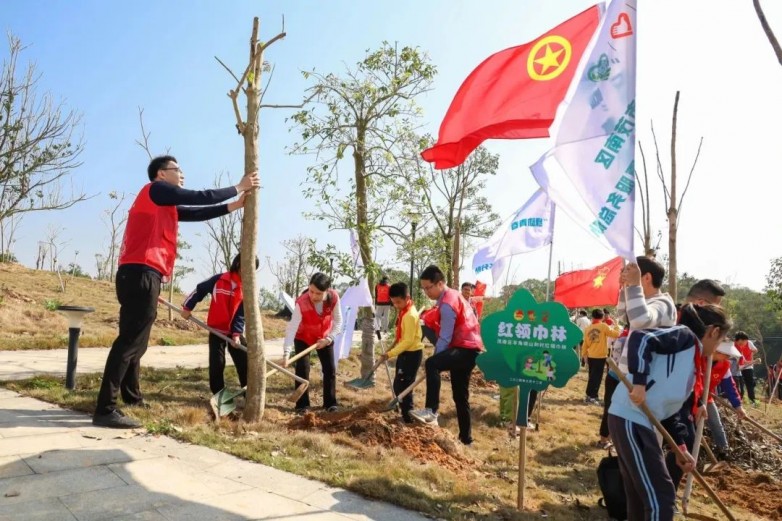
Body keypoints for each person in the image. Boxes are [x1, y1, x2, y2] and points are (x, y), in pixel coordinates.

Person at [92, 155, 258, 429]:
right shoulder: (155, 190)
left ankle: (131, 397)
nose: (182, 174)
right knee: (129, 342)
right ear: (161, 174)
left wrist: (233, 206)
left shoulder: (163, 205)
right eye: (177, 170)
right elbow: (198, 197)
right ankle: (105, 408)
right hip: (140, 273)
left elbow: (196, 212)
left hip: (139, 275)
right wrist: (238, 187)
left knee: (138, 342)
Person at [608, 303, 732, 521]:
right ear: (713, 331)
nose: (718, 347)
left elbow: (672, 410)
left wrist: (680, 448)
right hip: (629, 416)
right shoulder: (684, 337)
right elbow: (641, 339)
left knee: (641, 495)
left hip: (641, 421)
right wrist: (639, 382)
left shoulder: (693, 363)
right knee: (662, 495)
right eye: (721, 340)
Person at [410, 265, 483, 445]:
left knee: (432, 363)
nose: (426, 292)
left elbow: (445, 336)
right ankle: (466, 439)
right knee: (460, 395)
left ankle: (431, 411)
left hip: (466, 348)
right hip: (468, 348)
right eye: (424, 288)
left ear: (440, 283)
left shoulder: (448, 303)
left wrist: (436, 360)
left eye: (429, 287)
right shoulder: (450, 297)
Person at [181, 254, 257, 395]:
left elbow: (241, 313)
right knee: (217, 364)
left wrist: (236, 333)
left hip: (235, 332)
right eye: (246, 267)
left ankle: (250, 396)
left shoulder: (247, 289)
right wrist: (187, 307)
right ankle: (220, 399)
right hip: (216, 330)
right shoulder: (219, 280)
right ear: (238, 264)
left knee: (244, 363)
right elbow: (199, 290)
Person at [282, 272, 344, 413]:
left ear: (327, 291)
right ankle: (302, 405)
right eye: (311, 291)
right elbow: (292, 328)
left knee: (329, 370)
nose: (313, 296)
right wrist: (286, 353)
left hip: (324, 337)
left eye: (318, 293)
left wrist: (329, 338)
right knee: (302, 370)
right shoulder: (301, 302)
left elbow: (339, 322)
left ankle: (330, 403)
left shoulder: (333, 298)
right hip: (303, 337)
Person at [379, 282, 423, 423]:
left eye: (398, 302)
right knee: (399, 384)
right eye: (394, 303)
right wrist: (393, 348)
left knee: (404, 386)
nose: (396, 305)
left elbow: (408, 341)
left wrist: (390, 354)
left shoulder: (409, 315)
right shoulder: (405, 309)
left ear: (407, 297)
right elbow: (402, 337)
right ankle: (405, 412)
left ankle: (408, 417)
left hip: (412, 354)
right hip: (405, 353)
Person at [582, 309, 621, 405]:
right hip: (600, 356)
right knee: (597, 378)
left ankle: (589, 395)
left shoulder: (588, 328)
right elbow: (616, 334)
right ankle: (592, 396)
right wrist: (616, 324)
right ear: (602, 317)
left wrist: (584, 355)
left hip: (591, 355)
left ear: (593, 316)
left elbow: (585, 344)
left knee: (592, 377)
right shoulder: (603, 326)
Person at [734, 331, 759, 406]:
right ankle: (738, 402)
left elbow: (755, 350)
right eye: (745, 341)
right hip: (737, 369)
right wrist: (754, 361)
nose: (746, 342)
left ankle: (752, 400)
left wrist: (751, 358)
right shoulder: (734, 346)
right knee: (739, 386)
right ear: (740, 340)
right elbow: (742, 361)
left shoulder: (748, 343)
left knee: (750, 383)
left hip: (747, 366)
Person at [374, 276, 391, 340]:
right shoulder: (389, 286)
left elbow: (375, 295)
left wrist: (376, 303)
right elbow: (390, 295)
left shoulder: (377, 286)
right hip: (387, 303)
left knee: (377, 317)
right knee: (386, 317)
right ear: (387, 280)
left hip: (379, 303)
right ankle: (385, 330)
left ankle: (377, 329)